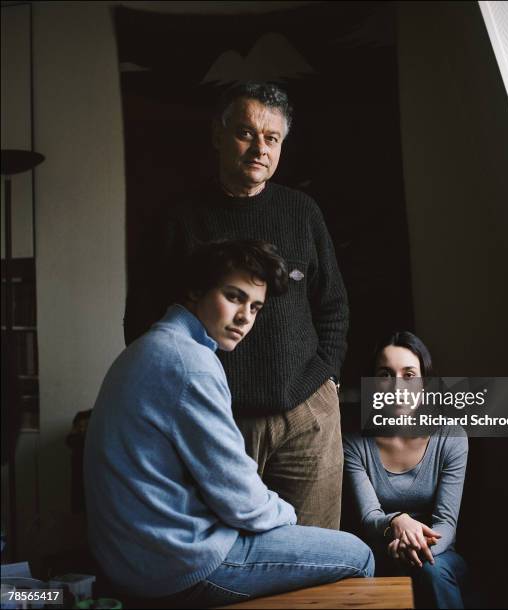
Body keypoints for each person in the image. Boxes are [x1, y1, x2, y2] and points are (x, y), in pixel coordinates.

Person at [85, 240, 373, 608]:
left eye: (255, 307)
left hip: (132, 558)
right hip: (174, 565)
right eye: (234, 297)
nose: (245, 318)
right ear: (195, 290)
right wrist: (289, 518)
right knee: (358, 554)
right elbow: (241, 502)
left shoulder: (151, 347)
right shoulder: (190, 363)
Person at [124, 82, 349, 530]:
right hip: (217, 421)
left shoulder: (302, 211)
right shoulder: (178, 219)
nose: (259, 148)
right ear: (218, 135)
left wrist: (328, 376)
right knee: (229, 556)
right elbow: (143, 323)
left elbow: (334, 306)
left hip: (308, 415)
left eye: (272, 138)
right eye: (246, 133)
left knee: (316, 552)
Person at [343, 331, 468, 609]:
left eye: (409, 375)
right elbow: (369, 517)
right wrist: (397, 521)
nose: (398, 388)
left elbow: (446, 524)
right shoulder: (353, 443)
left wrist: (413, 547)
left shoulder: (450, 437)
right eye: (386, 374)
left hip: (440, 553)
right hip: (379, 550)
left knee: (431, 571)